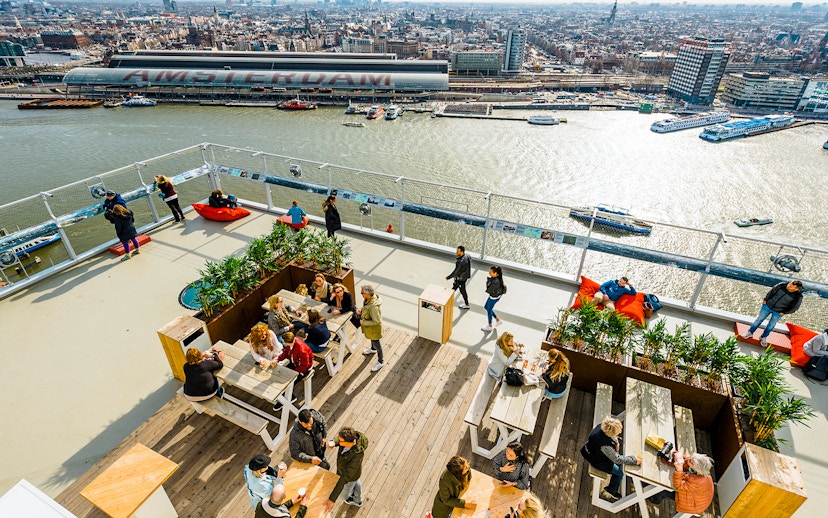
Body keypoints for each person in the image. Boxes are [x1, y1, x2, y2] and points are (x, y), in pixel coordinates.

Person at [580, 416, 641, 501]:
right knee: (619, 473)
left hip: (589, 448)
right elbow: (617, 459)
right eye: (617, 432)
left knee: (618, 459)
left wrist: (615, 441)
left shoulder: (601, 426)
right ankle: (611, 489)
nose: (619, 433)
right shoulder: (605, 446)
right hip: (595, 459)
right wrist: (633, 460)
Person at [647, 453, 715, 515]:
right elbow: (686, 459)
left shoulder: (698, 481)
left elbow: (678, 485)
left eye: (690, 461)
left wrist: (679, 471)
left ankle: (653, 501)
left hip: (694, 503)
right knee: (665, 486)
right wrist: (677, 456)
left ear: (696, 468)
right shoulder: (698, 469)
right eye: (691, 457)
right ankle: (655, 496)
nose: (688, 459)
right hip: (697, 495)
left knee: (663, 489)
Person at [741, 280, 803, 347]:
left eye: (791, 286)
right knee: (759, 319)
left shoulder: (798, 296)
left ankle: (763, 337)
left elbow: (795, 308)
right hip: (767, 306)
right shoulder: (781, 285)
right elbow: (771, 292)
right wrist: (765, 299)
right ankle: (750, 332)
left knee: (771, 325)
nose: (788, 286)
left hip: (778, 312)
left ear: (796, 289)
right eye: (789, 284)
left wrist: (784, 312)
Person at [324, 427, 368, 511]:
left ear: (348, 443)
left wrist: (332, 499)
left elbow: (345, 477)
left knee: (343, 495)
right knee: (356, 481)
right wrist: (333, 442)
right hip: (354, 473)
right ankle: (358, 500)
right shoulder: (350, 437)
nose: (338, 441)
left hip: (349, 477)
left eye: (340, 441)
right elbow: (339, 438)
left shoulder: (357, 455)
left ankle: (355, 500)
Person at [357, 285, 385, 372]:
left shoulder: (373, 307)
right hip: (370, 329)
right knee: (372, 340)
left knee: (378, 345)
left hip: (374, 329)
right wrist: (361, 311)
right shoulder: (367, 299)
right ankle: (373, 349)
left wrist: (363, 322)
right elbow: (366, 308)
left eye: (362, 293)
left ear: (367, 294)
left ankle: (381, 362)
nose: (361, 294)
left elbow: (377, 321)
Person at [446, 245, 471, 309]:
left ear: (462, 252)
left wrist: (448, 277)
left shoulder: (460, 262)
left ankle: (467, 304)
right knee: (454, 287)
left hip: (460, 279)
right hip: (464, 277)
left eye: (458, 251)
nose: (456, 252)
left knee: (462, 291)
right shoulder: (467, 256)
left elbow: (456, 272)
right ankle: (447, 299)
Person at [482, 266, 506, 331]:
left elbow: (488, 289)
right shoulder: (497, 279)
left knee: (489, 310)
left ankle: (490, 325)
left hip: (493, 297)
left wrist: (488, 281)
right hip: (495, 296)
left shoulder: (495, 282)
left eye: (490, 272)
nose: (489, 273)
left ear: (496, 273)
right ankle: (498, 320)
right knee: (487, 307)